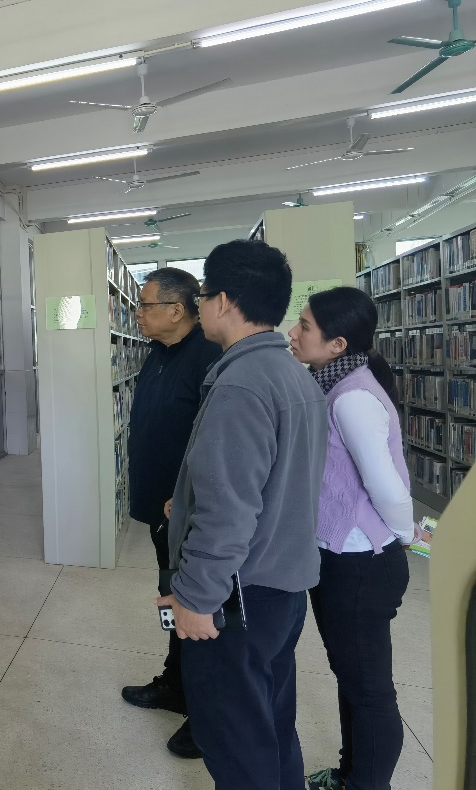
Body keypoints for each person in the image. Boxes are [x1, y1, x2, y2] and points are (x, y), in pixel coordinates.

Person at [155, 240, 328, 790]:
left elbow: (228, 512)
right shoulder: (293, 375)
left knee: (234, 742)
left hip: (240, 597)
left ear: (224, 301)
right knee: (271, 724)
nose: (200, 307)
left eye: (203, 296)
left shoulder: (239, 384)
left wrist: (196, 599)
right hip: (281, 589)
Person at [287, 287, 414, 790]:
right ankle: (350, 774)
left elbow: (387, 485)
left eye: (305, 326)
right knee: (352, 677)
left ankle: (366, 784)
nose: (293, 333)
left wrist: (400, 536)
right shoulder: (331, 384)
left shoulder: (353, 397)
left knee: (369, 690)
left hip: (361, 562)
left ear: (337, 344)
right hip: (342, 555)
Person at [120, 267, 222, 760]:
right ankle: (176, 681)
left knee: (198, 605)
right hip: (161, 511)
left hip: (190, 513)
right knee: (171, 595)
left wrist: (185, 496)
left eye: (144, 305)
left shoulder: (209, 359)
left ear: (177, 310)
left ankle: (205, 711)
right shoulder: (156, 354)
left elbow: (213, 443)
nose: (137, 315)